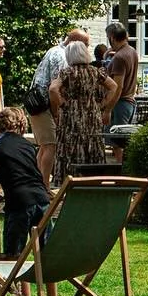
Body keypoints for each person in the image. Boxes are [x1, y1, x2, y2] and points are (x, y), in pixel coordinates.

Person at [0, 106, 57, 296]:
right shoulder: (29, 146)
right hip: (42, 201)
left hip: (18, 203)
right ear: (22, 127)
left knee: (17, 255)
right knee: (46, 252)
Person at [26, 27, 91, 182]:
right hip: (44, 105)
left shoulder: (54, 50)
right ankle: (44, 186)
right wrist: (57, 112)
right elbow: (55, 89)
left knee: (44, 146)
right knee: (51, 146)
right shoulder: (62, 57)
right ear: (75, 43)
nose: (87, 49)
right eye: (85, 45)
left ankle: (35, 182)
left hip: (36, 103)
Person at [49, 39, 118, 182]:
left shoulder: (67, 72)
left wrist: (62, 103)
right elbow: (113, 86)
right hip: (92, 114)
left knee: (71, 145)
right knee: (91, 143)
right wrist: (103, 104)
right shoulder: (95, 72)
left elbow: (53, 89)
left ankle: (69, 179)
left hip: (72, 116)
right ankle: (92, 179)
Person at [103, 21, 140, 126]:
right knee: (122, 139)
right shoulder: (132, 51)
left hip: (119, 104)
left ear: (112, 38)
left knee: (113, 139)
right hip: (129, 103)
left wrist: (107, 110)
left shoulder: (119, 57)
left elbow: (118, 87)